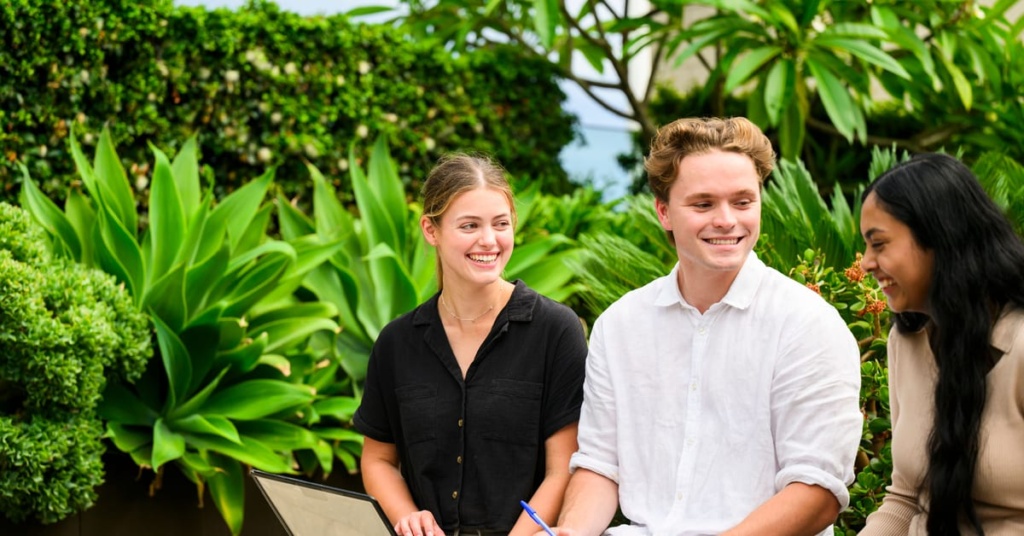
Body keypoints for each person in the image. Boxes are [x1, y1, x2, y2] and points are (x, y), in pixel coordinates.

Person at [544, 117, 863, 536]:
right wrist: (571, 531)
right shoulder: (620, 325)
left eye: (743, 201)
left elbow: (817, 491)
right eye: (703, 204)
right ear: (664, 212)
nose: (727, 220)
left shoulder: (808, 325)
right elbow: (601, 466)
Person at [353, 153, 589, 536]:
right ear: (431, 230)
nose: (489, 240)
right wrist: (406, 516)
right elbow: (378, 459)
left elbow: (563, 468)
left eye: (501, 224)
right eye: (469, 226)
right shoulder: (396, 343)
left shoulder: (555, 331)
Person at [857, 153, 1024, 535]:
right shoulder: (908, 339)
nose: (866, 262)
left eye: (879, 244)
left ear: (940, 237)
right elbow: (905, 497)